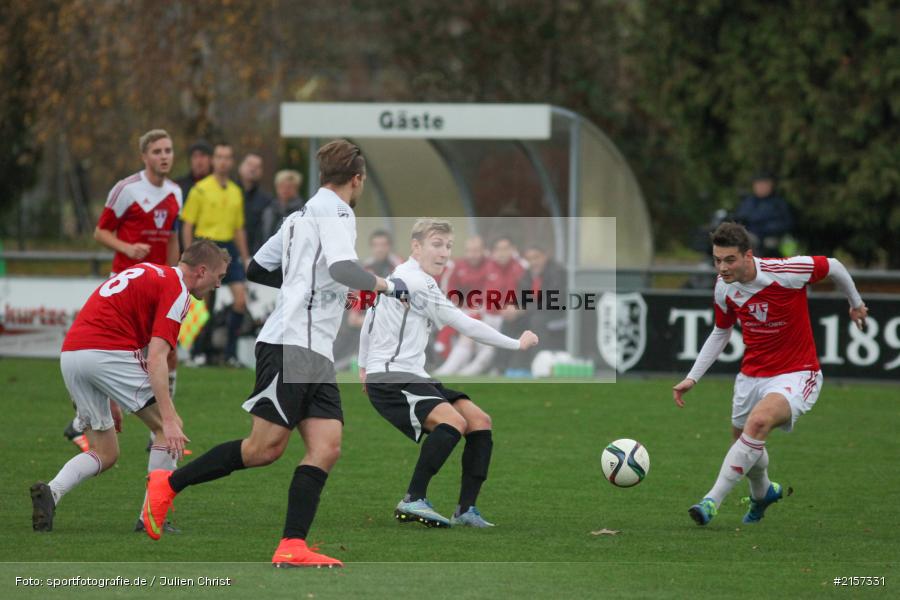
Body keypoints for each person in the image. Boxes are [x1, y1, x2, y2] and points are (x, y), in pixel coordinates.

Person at [142, 139, 407, 568]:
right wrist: (386, 286)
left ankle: (292, 545)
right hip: (291, 345)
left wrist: (305, 284)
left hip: (312, 349)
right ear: (356, 180)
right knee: (263, 449)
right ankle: (167, 484)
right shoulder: (339, 212)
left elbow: (258, 268)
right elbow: (341, 269)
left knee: (327, 446)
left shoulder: (299, 215)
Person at [673, 222, 867, 526]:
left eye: (729, 260)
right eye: (717, 260)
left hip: (798, 372)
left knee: (758, 422)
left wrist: (855, 304)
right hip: (751, 377)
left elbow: (834, 266)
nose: (722, 268)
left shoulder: (787, 271)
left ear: (748, 255)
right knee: (745, 444)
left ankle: (711, 501)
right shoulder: (724, 287)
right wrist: (692, 377)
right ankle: (763, 492)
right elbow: (721, 331)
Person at [30, 241, 229, 533]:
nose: (218, 285)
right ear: (201, 271)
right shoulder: (178, 292)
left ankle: (52, 492)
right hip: (107, 353)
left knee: (105, 452)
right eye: (219, 277)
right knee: (165, 428)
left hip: (73, 353)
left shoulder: (148, 271)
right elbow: (157, 358)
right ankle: (150, 516)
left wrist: (110, 393)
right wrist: (169, 418)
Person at [360, 219, 539, 528]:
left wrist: (364, 367)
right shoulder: (417, 282)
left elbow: (369, 320)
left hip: (410, 375)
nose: (444, 253)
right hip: (394, 378)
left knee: (479, 421)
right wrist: (516, 343)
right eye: (436, 244)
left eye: (448, 246)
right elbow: (465, 323)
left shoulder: (401, 276)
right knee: (453, 422)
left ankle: (466, 510)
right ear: (416, 247)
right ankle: (413, 499)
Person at [64, 129, 182, 461]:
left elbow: (172, 236)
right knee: (130, 357)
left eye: (169, 150)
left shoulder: (175, 192)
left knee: (167, 353)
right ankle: (83, 421)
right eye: (157, 150)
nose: (164, 156)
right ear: (144, 156)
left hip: (159, 286)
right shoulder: (126, 190)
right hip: (126, 287)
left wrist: (176, 278)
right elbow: (100, 232)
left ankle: (156, 429)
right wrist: (128, 247)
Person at [180, 142, 250, 366]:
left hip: (228, 247)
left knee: (240, 300)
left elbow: (239, 228)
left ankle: (230, 354)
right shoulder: (200, 189)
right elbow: (188, 224)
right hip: (206, 246)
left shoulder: (236, 191)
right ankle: (199, 352)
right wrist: (189, 253)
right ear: (213, 160)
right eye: (219, 156)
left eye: (227, 157)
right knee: (203, 303)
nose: (223, 161)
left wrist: (246, 256)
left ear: (232, 162)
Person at [498, 244, 567, 372]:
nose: (533, 262)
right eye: (529, 259)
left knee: (537, 321)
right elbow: (521, 297)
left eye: (536, 257)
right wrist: (512, 308)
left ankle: (537, 367)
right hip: (533, 312)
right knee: (508, 321)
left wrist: (523, 309)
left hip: (556, 313)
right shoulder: (527, 274)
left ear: (545, 256)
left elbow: (552, 302)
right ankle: (501, 367)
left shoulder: (557, 272)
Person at [733, 172, 794, 257]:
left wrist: (764, 229)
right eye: (758, 185)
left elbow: (786, 223)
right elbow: (740, 218)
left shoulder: (778, 204)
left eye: (763, 184)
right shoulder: (748, 202)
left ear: (770, 186)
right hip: (750, 234)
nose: (760, 187)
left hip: (769, 237)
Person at [174, 140, 213, 249]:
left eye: (203, 156)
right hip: (181, 246)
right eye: (195, 156)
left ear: (211, 160)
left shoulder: (219, 186)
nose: (199, 161)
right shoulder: (178, 186)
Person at [238, 152, 273, 255]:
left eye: (257, 167)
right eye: (249, 165)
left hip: (255, 254)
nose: (252, 169)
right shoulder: (228, 194)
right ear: (240, 167)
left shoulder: (267, 200)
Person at [260, 169, 305, 241]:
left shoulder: (302, 212)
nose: (285, 189)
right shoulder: (269, 210)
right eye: (282, 185)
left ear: (297, 188)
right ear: (276, 187)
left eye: (290, 187)